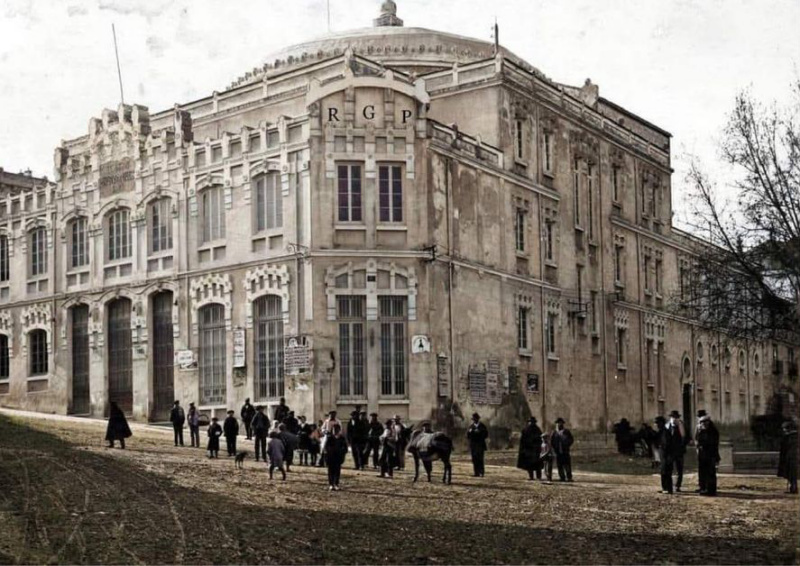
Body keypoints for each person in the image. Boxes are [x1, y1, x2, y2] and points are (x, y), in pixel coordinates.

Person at [694, 409, 720, 496]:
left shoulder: (712, 431)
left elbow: (712, 443)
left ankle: (711, 490)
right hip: (702, 454)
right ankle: (703, 487)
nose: (702, 424)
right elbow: (696, 438)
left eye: (704, 422)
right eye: (701, 422)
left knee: (710, 472)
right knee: (702, 471)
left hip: (710, 454)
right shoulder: (701, 429)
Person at [667, 410, 687, 492]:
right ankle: (670, 485)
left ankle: (677, 485)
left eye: (675, 417)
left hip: (679, 451)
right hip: (671, 451)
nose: (674, 419)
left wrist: (682, 446)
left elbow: (685, 437)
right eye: (673, 417)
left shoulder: (681, 425)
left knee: (679, 469)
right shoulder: (668, 425)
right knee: (670, 469)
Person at [654, 416, 675, 494]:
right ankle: (665, 488)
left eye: (657, 423)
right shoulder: (662, 431)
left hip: (666, 454)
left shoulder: (665, 432)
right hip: (663, 454)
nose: (656, 425)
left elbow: (666, 444)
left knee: (666, 472)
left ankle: (667, 488)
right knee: (664, 471)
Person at [326, 423, 349, 491]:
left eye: (336, 430)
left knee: (337, 471)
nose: (335, 431)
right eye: (333, 430)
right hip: (331, 457)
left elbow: (345, 448)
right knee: (330, 471)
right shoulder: (330, 438)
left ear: (339, 430)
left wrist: (342, 452)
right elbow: (326, 447)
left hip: (338, 457)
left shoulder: (342, 438)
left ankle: (336, 484)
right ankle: (331, 484)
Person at [550, 417, 574, 482]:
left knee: (567, 464)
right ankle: (562, 477)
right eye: (558, 423)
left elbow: (571, 439)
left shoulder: (566, 432)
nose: (559, 425)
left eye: (560, 423)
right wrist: (555, 448)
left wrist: (567, 445)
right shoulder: (554, 433)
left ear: (562, 424)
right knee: (559, 465)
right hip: (558, 451)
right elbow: (551, 442)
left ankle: (569, 477)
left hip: (565, 451)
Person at [778, 420, 798, 494]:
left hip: (790, 458)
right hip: (795, 458)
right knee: (793, 475)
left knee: (791, 475)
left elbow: (784, 449)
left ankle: (793, 488)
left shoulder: (787, 437)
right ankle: (793, 488)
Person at [467, 413, 489, 477]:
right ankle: (476, 472)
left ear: (477, 419)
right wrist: (471, 432)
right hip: (473, 445)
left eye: (475, 419)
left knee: (480, 459)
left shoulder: (482, 426)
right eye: (473, 419)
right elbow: (468, 436)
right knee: (474, 459)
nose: (474, 420)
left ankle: (481, 472)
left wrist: (479, 432)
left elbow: (486, 435)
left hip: (480, 445)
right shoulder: (471, 427)